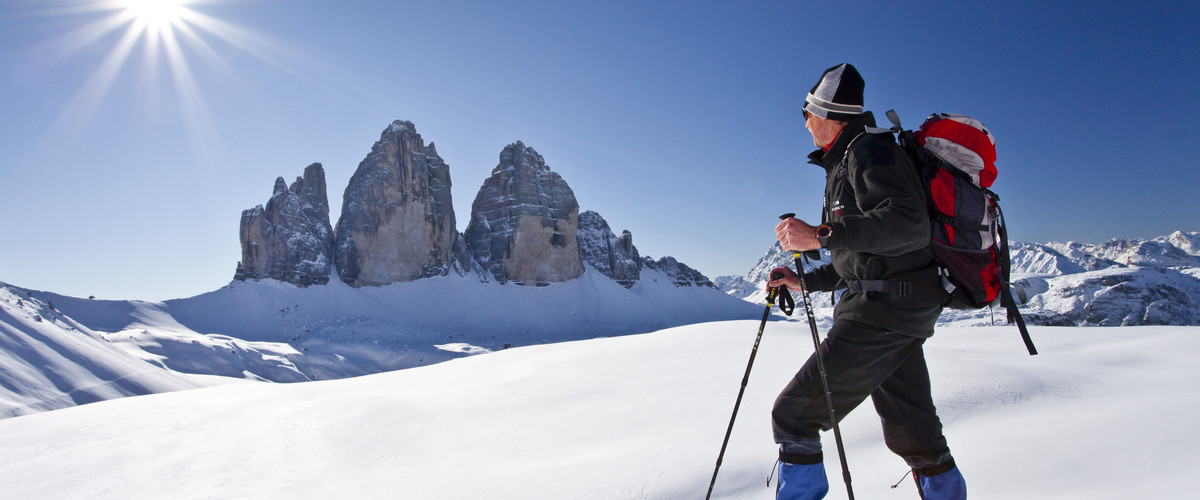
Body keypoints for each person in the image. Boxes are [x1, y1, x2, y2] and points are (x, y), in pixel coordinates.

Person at [767, 63, 967, 499]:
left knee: (795, 415)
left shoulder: (870, 152)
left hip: (884, 311)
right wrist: (806, 281)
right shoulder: (845, 162)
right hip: (895, 306)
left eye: (806, 113)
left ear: (827, 115)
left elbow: (908, 226)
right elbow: (860, 257)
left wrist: (818, 234)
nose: (803, 123)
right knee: (914, 432)